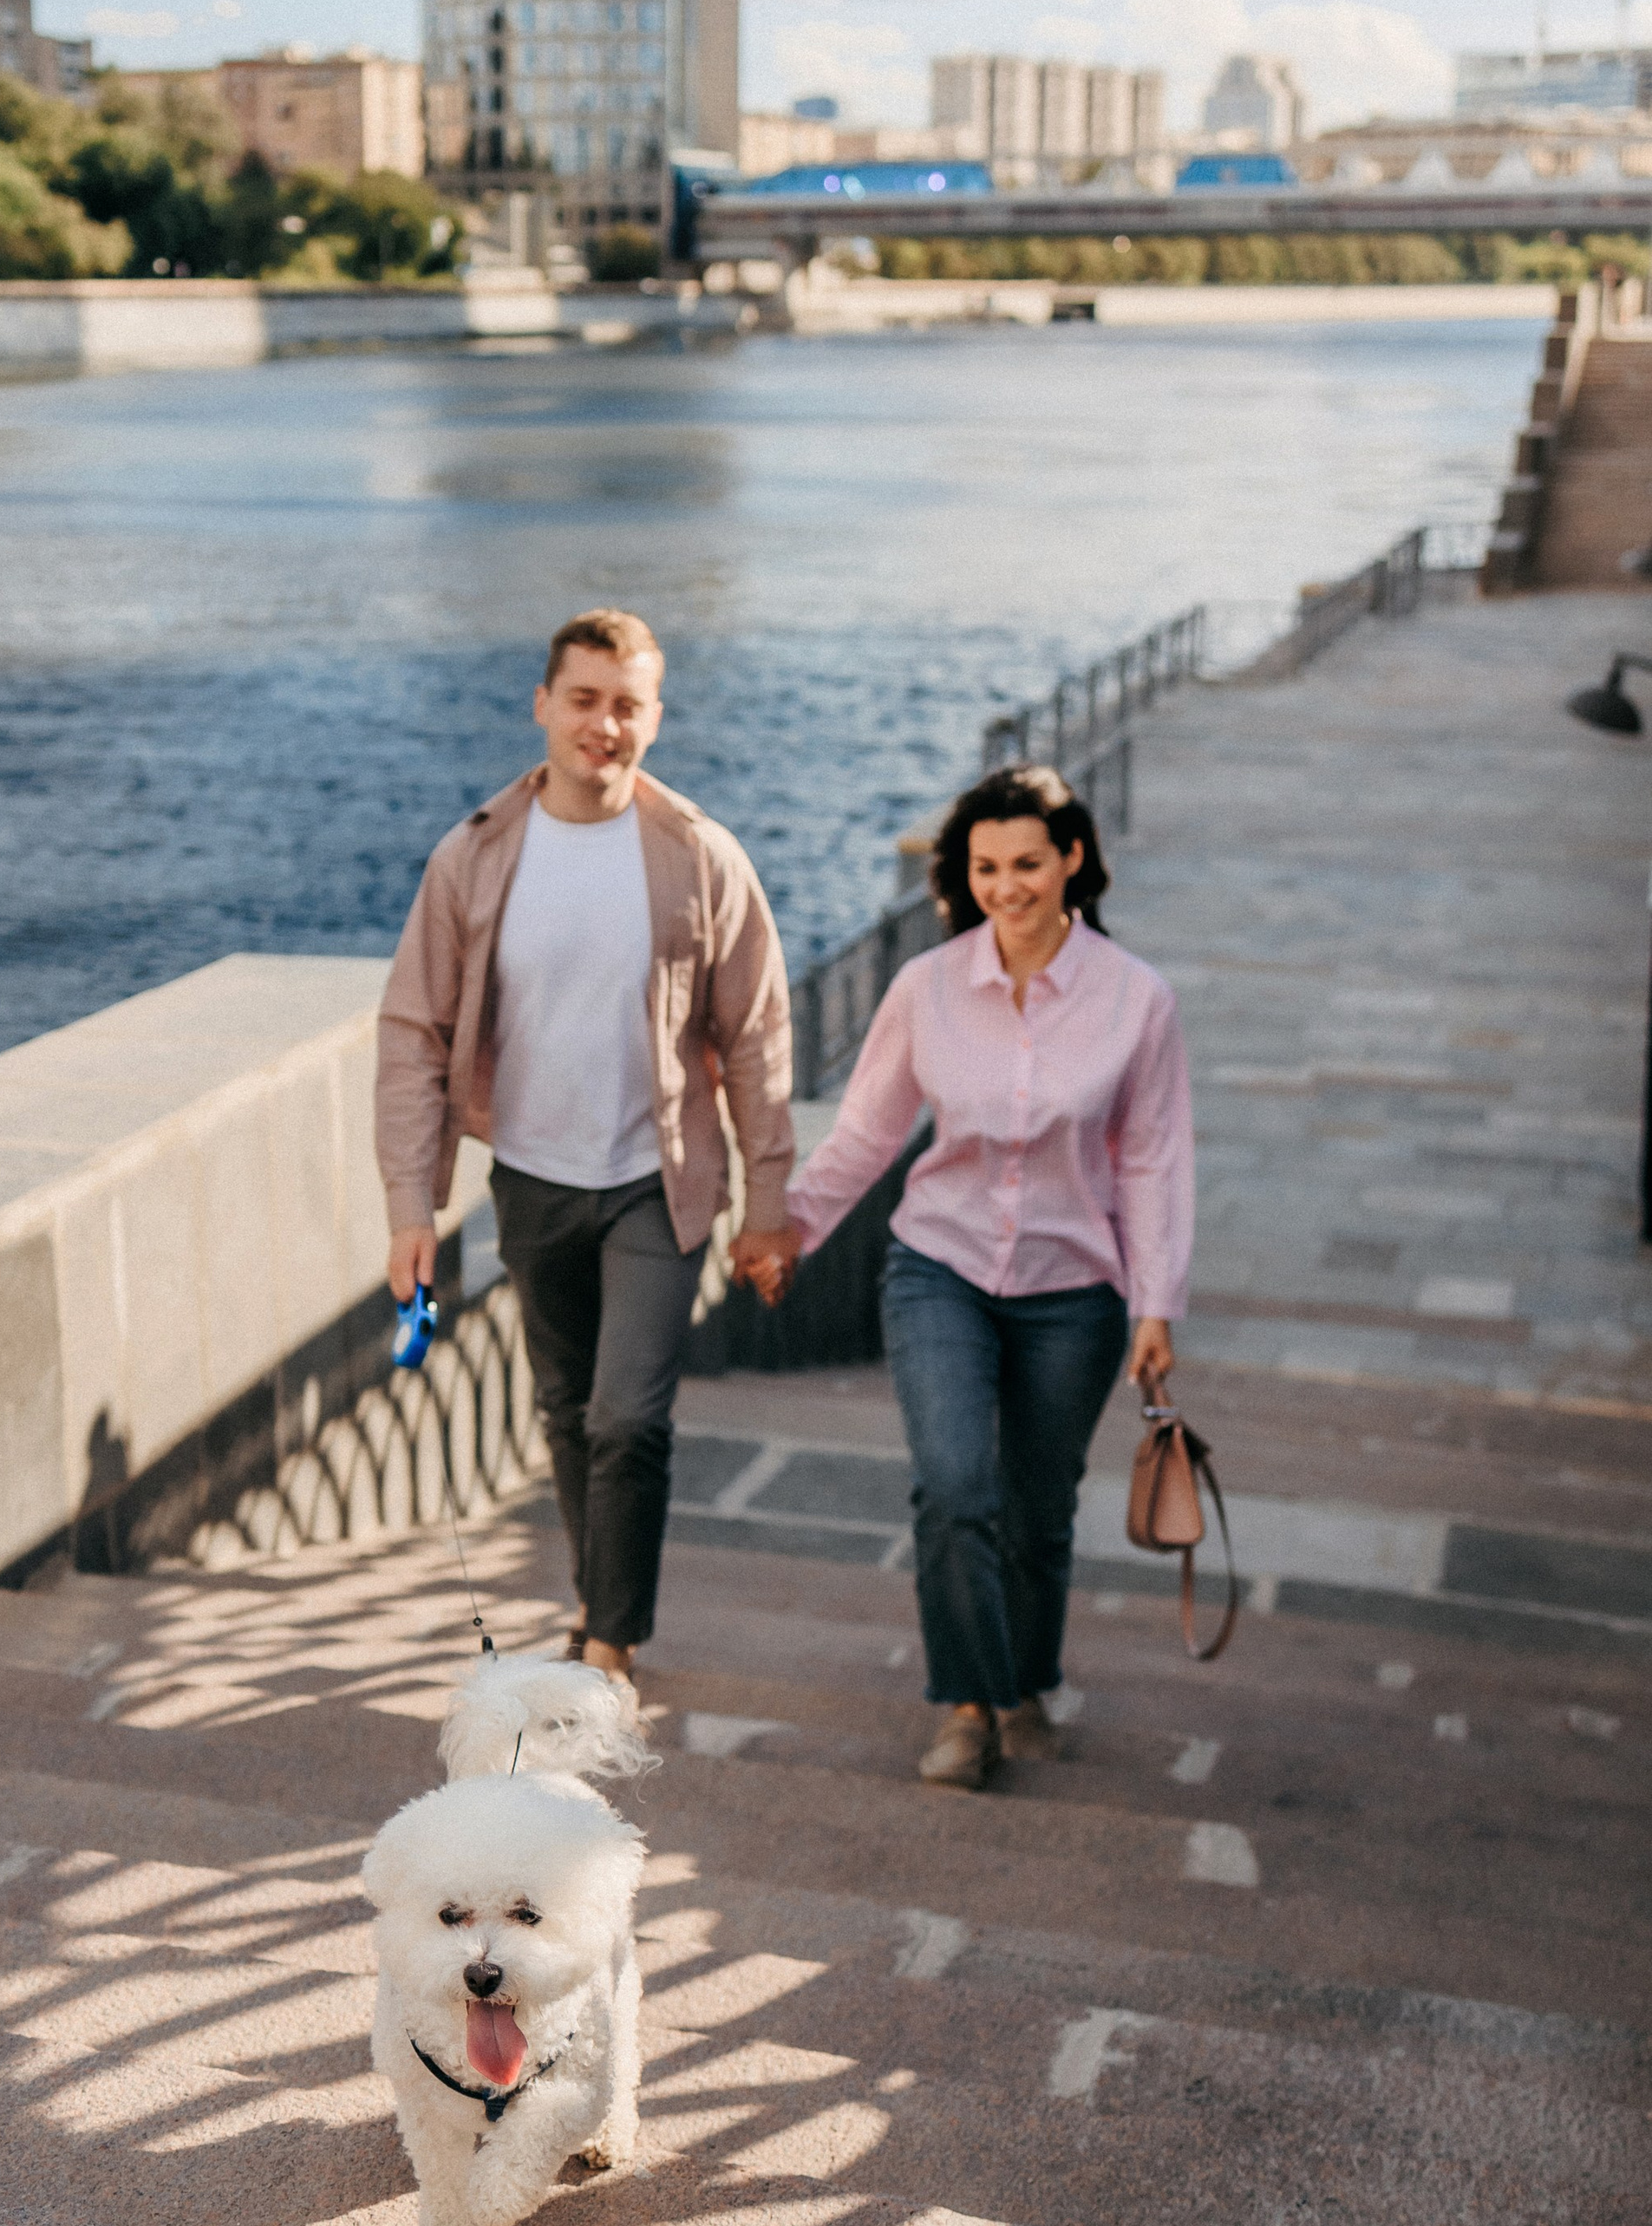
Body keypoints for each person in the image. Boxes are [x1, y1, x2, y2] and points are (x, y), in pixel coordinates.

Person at [740, 764, 1192, 1790]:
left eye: (1027, 863)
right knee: (953, 1487)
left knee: (1037, 1508)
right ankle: (968, 1706)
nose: (1007, 887)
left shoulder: (1137, 1002)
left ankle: (1026, 1679)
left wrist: (1157, 1303)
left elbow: (1154, 1159)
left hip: (1073, 1289)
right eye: (985, 867)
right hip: (937, 1267)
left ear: (1072, 859)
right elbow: (868, 1131)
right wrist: (789, 1228)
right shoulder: (926, 987)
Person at [375, 607, 794, 1682]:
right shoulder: (472, 856)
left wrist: (768, 1202)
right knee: (565, 1410)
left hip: (655, 1184)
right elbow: (413, 1032)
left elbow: (754, 1039)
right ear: (543, 706)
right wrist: (411, 1207)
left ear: (654, 717)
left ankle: (609, 1640)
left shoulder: (700, 856)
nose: (603, 725)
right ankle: (592, 1600)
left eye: (627, 705)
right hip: (530, 1179)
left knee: (626, 1416)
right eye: (584, 700)